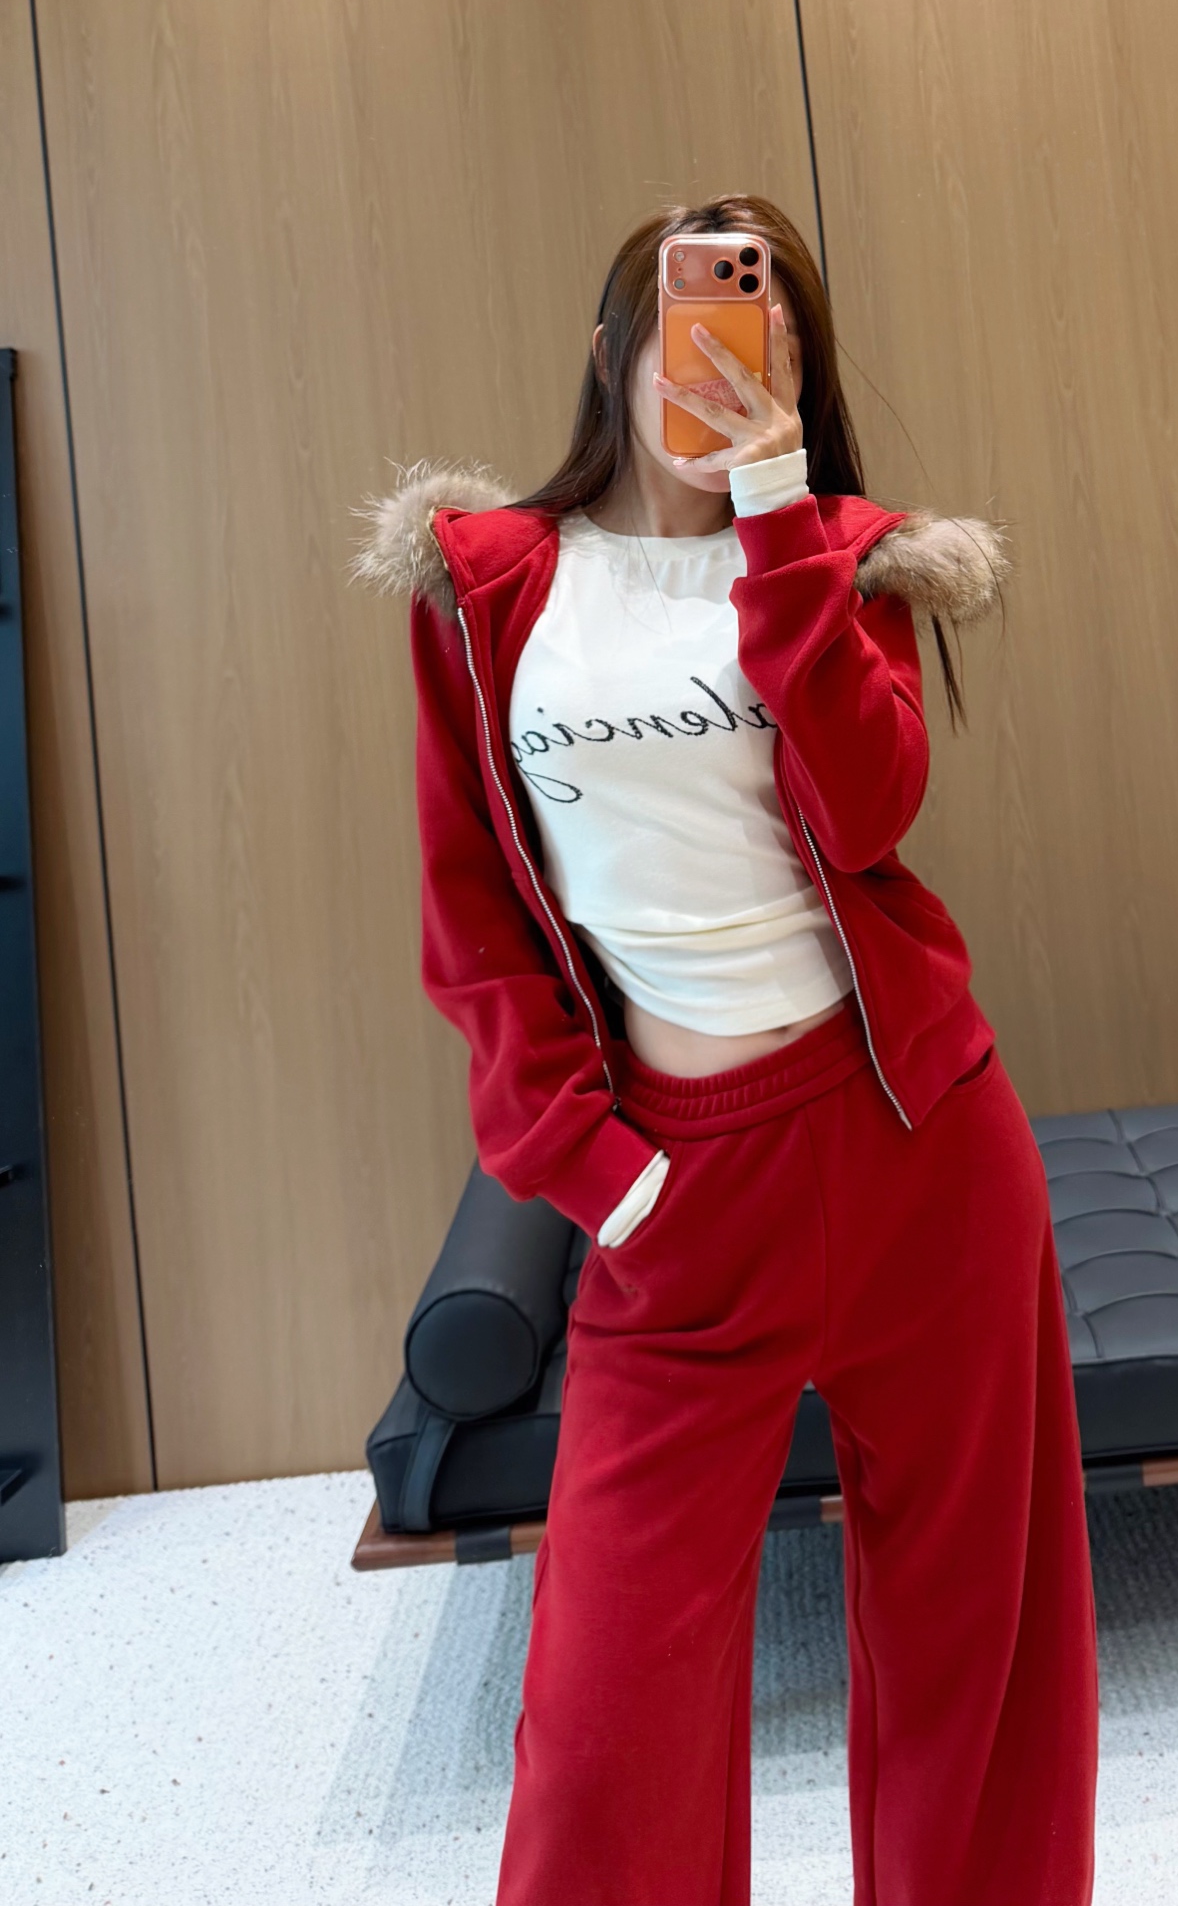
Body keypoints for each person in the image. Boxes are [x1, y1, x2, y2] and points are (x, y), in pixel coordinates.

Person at [355, 194, 1099, 1905]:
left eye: (764, 340)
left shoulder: (839, 560)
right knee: (605, 1723)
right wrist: (601, 1179)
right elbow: (473, 930)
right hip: (680, 1197)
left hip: (920, 1151)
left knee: (974, 1655)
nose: (719, 366)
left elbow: (871, 809)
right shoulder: (489, 589)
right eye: (689, 327)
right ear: (612, 353)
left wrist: (780, 525)